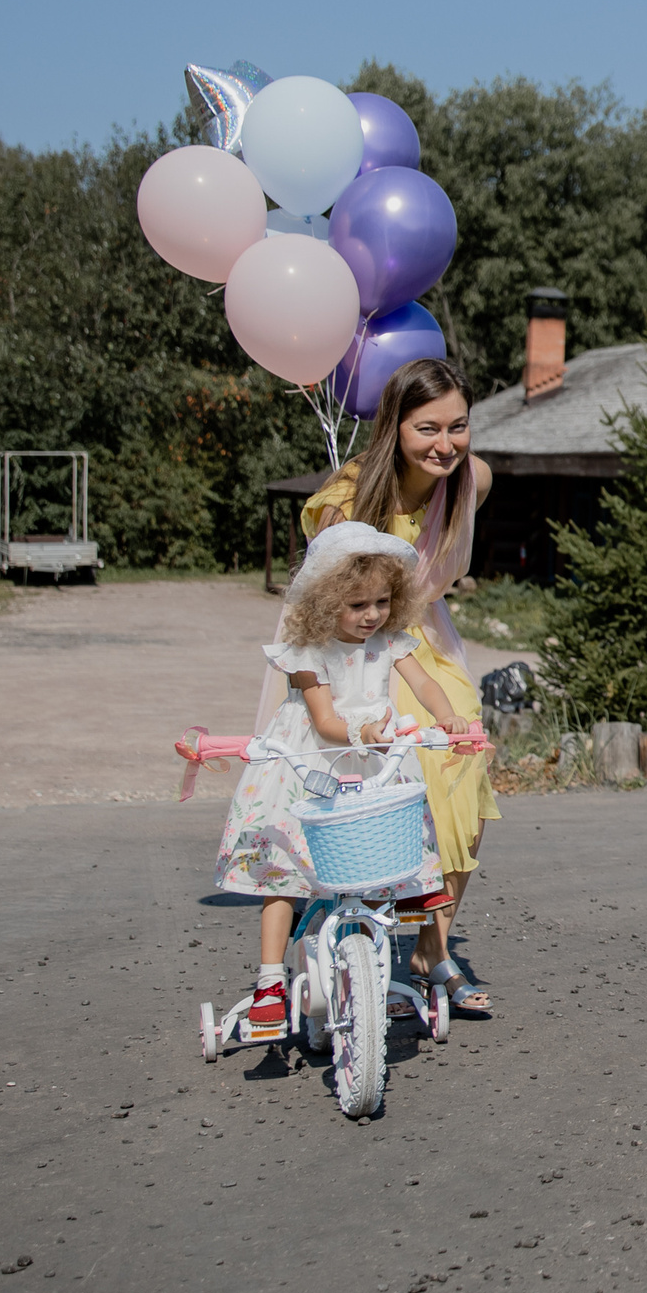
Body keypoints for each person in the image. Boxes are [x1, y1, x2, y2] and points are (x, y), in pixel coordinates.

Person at [301, 358, 499, 1013]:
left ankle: (432, 951)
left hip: (427, 645)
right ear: (395, 426)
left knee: (466, 767)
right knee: (402, 784)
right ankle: (379, 948)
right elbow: (323, 586)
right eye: (427, 428)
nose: (446, 443)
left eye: (459, 425)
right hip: (366, 649)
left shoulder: (470, 480)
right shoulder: (353, 494)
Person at [213, 523, 455, 1037]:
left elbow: (426, 683)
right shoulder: (309, 652)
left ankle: (364, 967)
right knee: (285, 870)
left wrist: (451, 718)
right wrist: (367, 729)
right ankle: (270, 979)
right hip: (314, 761)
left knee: (371, 859)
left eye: (383, 602)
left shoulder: (391, 641)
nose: (372, 616)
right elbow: (324, 723)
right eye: (357, 605)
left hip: (370, 758)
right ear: (326, 604)